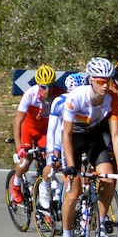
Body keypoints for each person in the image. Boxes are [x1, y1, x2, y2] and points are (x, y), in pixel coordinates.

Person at [58, 57, 118, 237]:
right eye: (101, 82)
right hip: (73, 139)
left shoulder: (112, 99)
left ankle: (101, 223)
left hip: (94, 139)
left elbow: (117, 135)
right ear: (91, 80)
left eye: (108, 82)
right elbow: (65, 134)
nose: (106, 86)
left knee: (110, 179)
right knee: (73, 193)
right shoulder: (76, 98)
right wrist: (71, 167)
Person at [10, 64, 61, 205]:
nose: (48, 90)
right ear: (38, 85)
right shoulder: (30, 94)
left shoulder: (58, 93)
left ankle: (41, 185)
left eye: (50, 86)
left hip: (44, 131)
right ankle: (16, 184)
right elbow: (18, 122)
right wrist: (19, 147)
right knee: (26, 160)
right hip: (28, 129)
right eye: (44, 87)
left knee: (51, 160)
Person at [42, 72, 87, 216]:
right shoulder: (59, 102)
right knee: (53, 166)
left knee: (86, 172)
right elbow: (51, 128)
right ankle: (44, 184)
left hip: (77, 139)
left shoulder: (85, 100)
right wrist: (51, 151)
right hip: (59, 138)